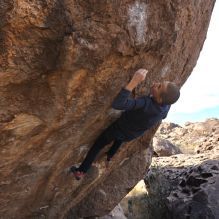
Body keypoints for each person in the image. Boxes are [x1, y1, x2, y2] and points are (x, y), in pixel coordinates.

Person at [70, 69, 180, 180]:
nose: (156, 84)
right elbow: (164, 113)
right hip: (131, 134)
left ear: (160, 99)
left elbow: (118, 104)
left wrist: (134, 81)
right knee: (120, 139)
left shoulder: (145, 104)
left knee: (98, 145)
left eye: (159, 86)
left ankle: (81, 171)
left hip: (118, 129)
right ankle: (110, 156)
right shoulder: (165, 108)